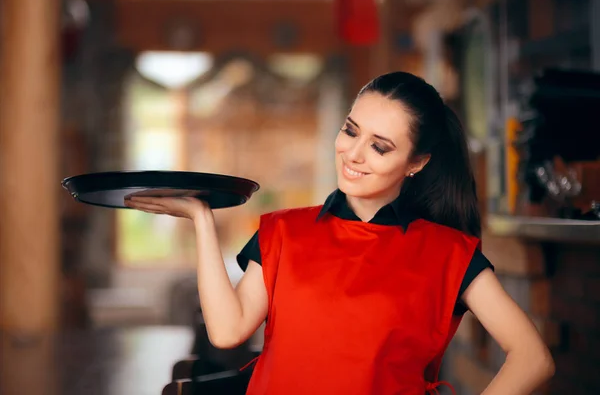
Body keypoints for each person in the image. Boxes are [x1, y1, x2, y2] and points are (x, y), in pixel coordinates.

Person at [125, 72, 555, 394]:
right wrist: (202, 219)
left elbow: (532, 358)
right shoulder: (284, 231)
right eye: (351, 130)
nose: (353, 153)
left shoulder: (449, 254)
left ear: (417, 162)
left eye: (379, 146)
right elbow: (227, 331)